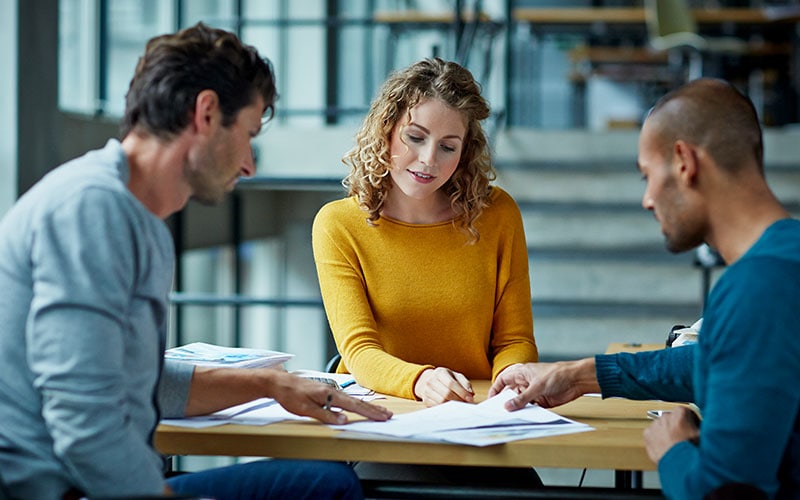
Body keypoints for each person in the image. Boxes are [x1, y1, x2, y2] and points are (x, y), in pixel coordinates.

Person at [0, 22, 391, 500]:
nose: (249, 164)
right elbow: (84, 424)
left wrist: (271, 384)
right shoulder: (91, 209)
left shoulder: (137, 216)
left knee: (323, 481)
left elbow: (134, 380)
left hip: (90, 480)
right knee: (322, 487)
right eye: (248, 134)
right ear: (206, 113)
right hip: (59, 489)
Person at [490, 78, 799, 499]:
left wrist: (672, 450)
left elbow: (726, 492)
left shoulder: (757, 290)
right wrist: (582, 375)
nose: (647, 199)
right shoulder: (787, 255)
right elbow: (722, 362)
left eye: (647, 176)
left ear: (684, 161)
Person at [312, 57, 538, 408]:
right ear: (384, 131)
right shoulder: (338, 225)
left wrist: (509, 382)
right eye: (415, 138)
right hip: (379, 413)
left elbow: (515, 339)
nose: (429, 159)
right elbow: (359, 350)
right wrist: (422, 381)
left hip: (477, 411)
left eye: (448, 146)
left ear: (464, 152)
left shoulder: (497, 214)